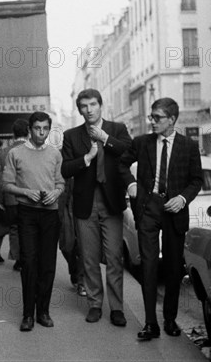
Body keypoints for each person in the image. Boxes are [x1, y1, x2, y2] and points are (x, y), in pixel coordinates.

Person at [119, 97, 203, 340]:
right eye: (151, 117)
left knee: (174, 267)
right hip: (149, 208)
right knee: (148, 266)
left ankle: (169, 319)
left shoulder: (188, 146)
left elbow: (196, 180)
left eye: (157, 118)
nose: (152, 122)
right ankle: (150, 323)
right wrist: (132, 184)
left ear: (172, 119)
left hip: (175, 210)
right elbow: (122, 165)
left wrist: (184, 199)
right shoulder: (141, 143)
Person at [61, 88, 132, 327]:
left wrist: (105, 139)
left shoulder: (117, 129)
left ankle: (117, 308)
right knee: (89, 258)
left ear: (101, 105)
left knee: (114, 257)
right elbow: (65, 169)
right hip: (85, 203)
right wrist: (86, 159)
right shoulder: (72, 136)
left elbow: (128, 152)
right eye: (84, 106)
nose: (88, 110)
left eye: (92, 104)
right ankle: (94, 303)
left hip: (111, 202)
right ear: (79, 109)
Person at [2, 111, 65, 332]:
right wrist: (26, 193)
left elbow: (60, 182)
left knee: (48, 263)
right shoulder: (16, 153)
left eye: (45, 128)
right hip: (27, 212)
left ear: (49, 129)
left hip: (50, 212)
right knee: (29, 262)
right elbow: (6, 184)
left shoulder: (55, 154)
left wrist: (56, 193)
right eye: (37, 128)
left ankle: (44, 312)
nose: (41, 132)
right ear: (30, 129)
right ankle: (28, 314)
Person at [0, 118, 30, 271]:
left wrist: (0, 199)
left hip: (10, 198)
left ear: (13, 134)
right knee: (29, 229)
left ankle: (18, 259)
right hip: (29, 197)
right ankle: (28, 257)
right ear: (28, 132)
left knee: (14, 229)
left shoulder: (3, 153)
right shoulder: (33, 150)